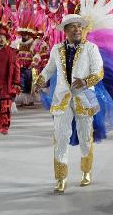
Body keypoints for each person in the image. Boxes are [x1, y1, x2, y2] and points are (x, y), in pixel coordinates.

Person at [34, 14, 105, 193]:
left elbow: (99, 72)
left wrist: (86, 81)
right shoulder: (56, 49)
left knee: (85, 136)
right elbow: (50, 68)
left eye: (79, 26)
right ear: (65, 30)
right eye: (72, 26)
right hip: (61, 98)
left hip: (85, 97)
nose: (77, 29)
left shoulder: (91, 48)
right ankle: (60, 177)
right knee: (61, 136)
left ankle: (86, 171)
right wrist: (41, 79)